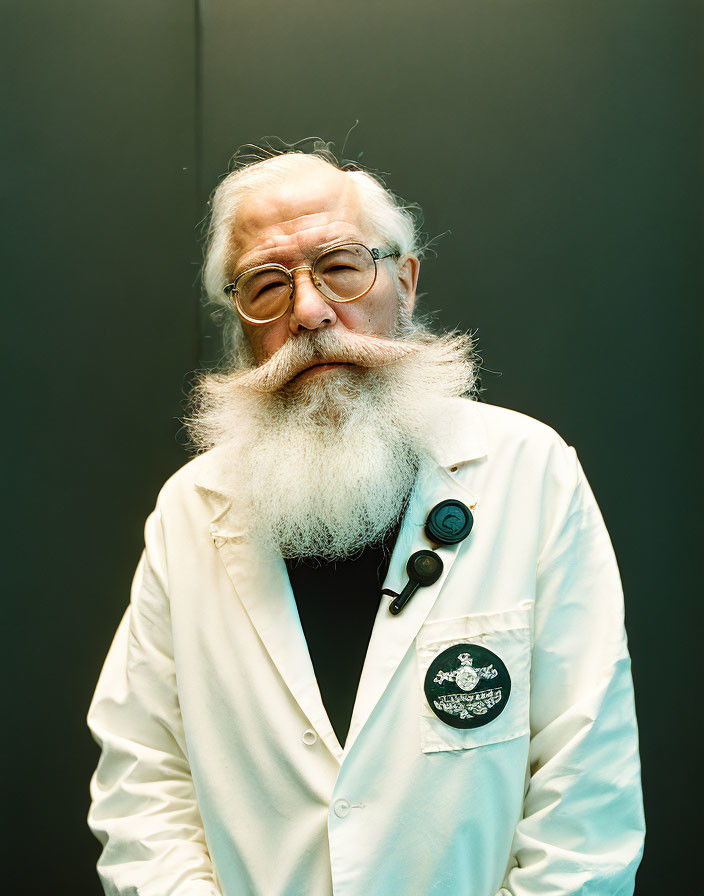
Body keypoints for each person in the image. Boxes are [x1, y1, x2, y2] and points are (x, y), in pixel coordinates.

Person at [86, 144, 645, 896]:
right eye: (267, 284)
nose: (310, 310)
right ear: (242, 320)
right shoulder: (190, 511)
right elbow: (142, 783)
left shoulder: (529, 473)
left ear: (404, 284)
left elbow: (586, 798)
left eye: (342, 267)